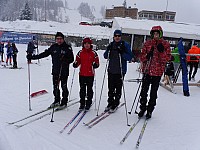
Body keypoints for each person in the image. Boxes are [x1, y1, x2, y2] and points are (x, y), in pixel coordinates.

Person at [27, 32, 74, 109]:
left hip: (64, 71)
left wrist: (65, 59)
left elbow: (71, 59)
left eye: (60, 39)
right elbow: (44, 54)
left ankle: (64, 101)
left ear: (63, 39)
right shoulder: (53, 47)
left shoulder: (67, 47)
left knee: (63, 86)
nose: (59, 40)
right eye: (57, 39)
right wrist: (32, 57)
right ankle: (56, 100)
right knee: (55, 87)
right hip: (55, 70)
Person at [138, 26, 171, 119]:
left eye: (157, 33)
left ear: (160, 34)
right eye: (154, 33)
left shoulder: (165, 44)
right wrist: (147, 55)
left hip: (157, 72)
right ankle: (143, 107)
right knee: (144, 91)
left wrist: (161, 52)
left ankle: (150, 110)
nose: (155, 35)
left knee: (153, 93)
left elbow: (167, 59)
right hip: (147, 71)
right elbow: (141, 57)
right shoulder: (148, 44)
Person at [103, 30, 133, 112]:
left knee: (118, 88)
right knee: (111, 88)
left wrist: (122, 52)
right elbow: (105, 56)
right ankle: (110, 102)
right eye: (115, 36)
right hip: (111, 70)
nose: (117, 37)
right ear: (113, 37)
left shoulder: (125, 45)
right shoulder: (111, 44)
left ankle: (116, 103)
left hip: (120, 70)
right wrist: (107, 50)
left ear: (121, 37)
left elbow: (130, 57)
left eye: (119, 36)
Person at [73, 38, 99, 111]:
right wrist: (75, 64)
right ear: (83, 44)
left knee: (89, 89)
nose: (87, 45)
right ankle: (82, 103)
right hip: (82, 74)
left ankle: (88, 102)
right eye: (85, 43)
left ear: (90, 44)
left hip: (90, 75)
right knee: (82, 89)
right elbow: (77, 61)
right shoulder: (80, 52)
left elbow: (97, 62)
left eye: (88, 43)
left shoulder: (93, 53)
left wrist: (95, 65)